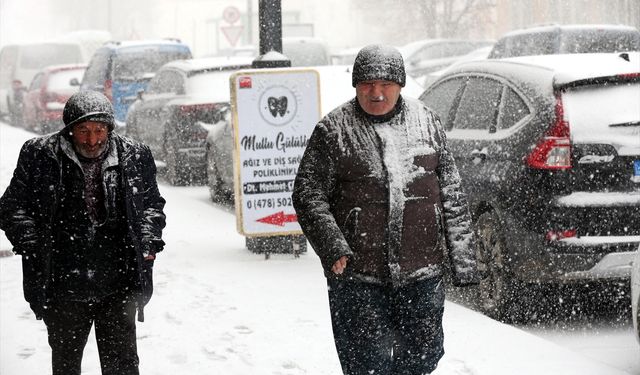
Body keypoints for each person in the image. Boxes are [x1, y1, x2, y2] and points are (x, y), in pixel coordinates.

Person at [292, 44, 479, 375]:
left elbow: (451, 192)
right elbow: (308, 192)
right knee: (367, 365)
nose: (376, 93)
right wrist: (332, 244)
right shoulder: (333, 131)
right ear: (355, 85)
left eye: (385, 84)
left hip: (422, 272)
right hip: (358, 276)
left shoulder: (428, 122)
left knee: (425, 355)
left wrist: (463, 260)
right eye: (366, 84)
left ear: (401, 85)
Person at [0, 90, 166, 375]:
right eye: (84, 131)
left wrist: (148, 242)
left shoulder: (134, 154)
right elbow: (11, 208)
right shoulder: (40, 154)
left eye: (100, 130)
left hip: (118, 282)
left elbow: (151, 205)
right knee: (66, 365)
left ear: (110, 129)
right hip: (63, 284)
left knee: (122, 366)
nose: (92, 140)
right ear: (69, 130)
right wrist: (33, 244)